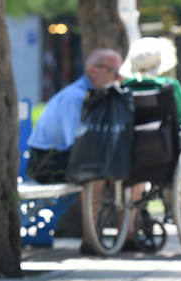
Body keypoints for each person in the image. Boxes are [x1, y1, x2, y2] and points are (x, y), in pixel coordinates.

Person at [26, 49, 124, 184]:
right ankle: (95, 205)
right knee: (99, 169)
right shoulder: (76, 97)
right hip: (47, 162)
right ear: (94, 70)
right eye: (114, 71)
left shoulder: (96, 95)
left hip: (63, 157)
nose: (119, 77)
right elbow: (76, 144)